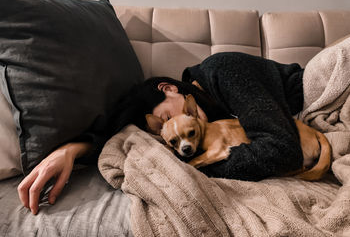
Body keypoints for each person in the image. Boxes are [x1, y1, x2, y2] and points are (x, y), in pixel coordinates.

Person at [18, 52, 305, 215]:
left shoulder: (221, 71)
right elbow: (115, 134)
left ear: (169, 88)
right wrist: (70, 150)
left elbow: (284, 149)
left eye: (167, 116)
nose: (177, 126)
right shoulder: (215, 123)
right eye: (167, 131)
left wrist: (200, 170)